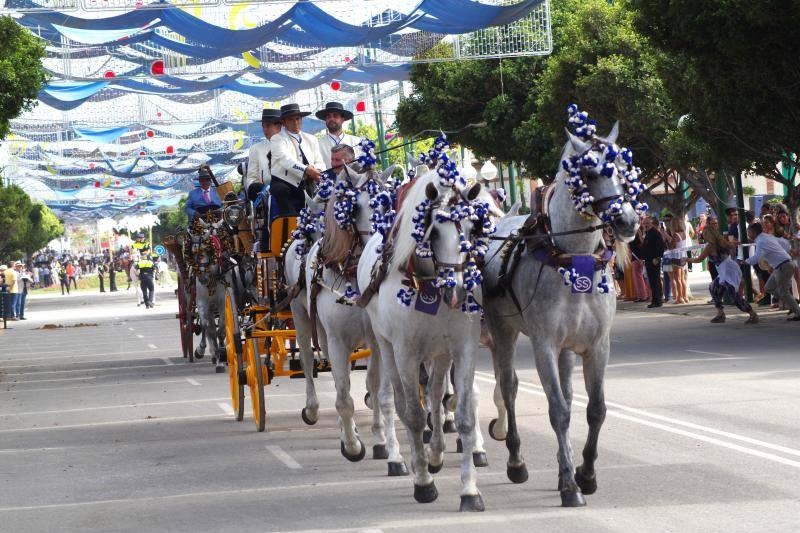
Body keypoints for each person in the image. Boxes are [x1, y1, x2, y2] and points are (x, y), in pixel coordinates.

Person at [269, 103, 325, 217]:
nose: (295, 122)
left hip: (308, 182)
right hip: (283, 182)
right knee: (280, 190)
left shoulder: (312, 139)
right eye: (291, 120)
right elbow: (285, 159)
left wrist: (317, 170)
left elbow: (319, 161)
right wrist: (306, 170)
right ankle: (291, 225)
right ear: (283, 122)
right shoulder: (277, 139)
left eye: (298, 119)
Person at [745, 222, 800, 321]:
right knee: (768, 288)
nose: (748, 234)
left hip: (784, 266)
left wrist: (745, 262)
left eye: (748, 232)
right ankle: (792, 301)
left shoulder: (761, 241)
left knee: (783, 292)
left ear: (753, 232)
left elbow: (757, 257)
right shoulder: (767, 237)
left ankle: (797, 312)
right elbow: (785, 244)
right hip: (780, 266)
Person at [706, 248, 759, 324]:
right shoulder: (712, 245)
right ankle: (720, 314)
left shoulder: (717, 245)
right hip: (723, 271)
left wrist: (687, 259)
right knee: (713, 287)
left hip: (730, 270)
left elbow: (699, 259)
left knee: (734, 295)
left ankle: (752, 314)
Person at [244, 108, 283, 201]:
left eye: (268, 126)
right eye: (263, 126)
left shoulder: (291, 143)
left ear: (279, 126)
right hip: (266, 195)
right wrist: (256, 184)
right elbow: (250, 178)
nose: (265, 129)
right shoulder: (256, 149)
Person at [316, 102, 361, 170]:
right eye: (328, 116)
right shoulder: (318, 145)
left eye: (335, 116)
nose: (331, 119)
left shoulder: (357, 142)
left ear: (342, 119)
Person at [640, 215, 665, 308]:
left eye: (647, 223)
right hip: (648, 260)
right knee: (652, 281)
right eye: (644, 223)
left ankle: (658, 300)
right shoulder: (647, 233)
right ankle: (655, 300)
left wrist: (657, 258)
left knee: (655, 280)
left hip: (654, 260)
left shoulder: (655, 233)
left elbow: (660, 246)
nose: (645, 225)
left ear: (651, 223)